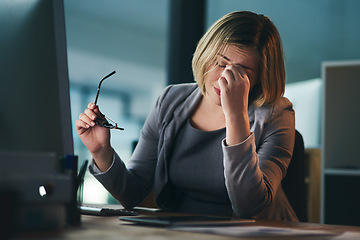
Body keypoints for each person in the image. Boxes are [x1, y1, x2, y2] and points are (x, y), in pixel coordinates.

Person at [76, 11, 297, 221]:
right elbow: (132, 193)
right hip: (181, 230)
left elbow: (249, 208)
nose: (224, 78)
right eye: (220, 63)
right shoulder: (171, 100)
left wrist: (236, 115)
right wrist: (101, 151)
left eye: (241, 72)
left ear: (260, 77)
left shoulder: (277, 115)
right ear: (205, 54)